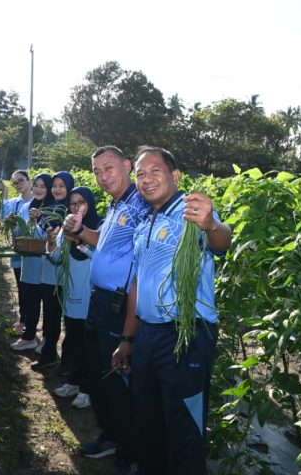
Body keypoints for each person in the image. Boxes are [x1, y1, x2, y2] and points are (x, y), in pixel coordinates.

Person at [112, 146, 231, 475]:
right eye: (140, 174)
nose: (146, 179)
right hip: (148, 335)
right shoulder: (144, 223)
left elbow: (223, 241)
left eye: (155, 171)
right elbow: (138, 285)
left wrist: (210, 225)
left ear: (175, 176)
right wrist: (127, 339)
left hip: (187, 334)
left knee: (185, 433)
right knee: (148, 424)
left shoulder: (191, 213)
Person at [62, 146, 148, 474]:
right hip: (98, 301)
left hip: (119, 305)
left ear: (127, 166)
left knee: (118, 379)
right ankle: (111, 434)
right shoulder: (116, 205)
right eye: (97, 171)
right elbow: (105, 243)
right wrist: (80, 232)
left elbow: (142, 263)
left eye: (108, 168)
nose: (102, 176)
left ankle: (130, 452)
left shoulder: (141, 205)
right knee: (101, 376)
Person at [49, 186, 102, 408]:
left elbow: (103, 260)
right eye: (72, 203)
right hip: (71, 293)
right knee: (71, 339)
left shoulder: (100, 228)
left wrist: (83, 244)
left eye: (81, 202)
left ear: (90, 204)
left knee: (89, 344)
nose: (76, 207)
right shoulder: (67, 227)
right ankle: (71, 381)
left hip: (89, 295)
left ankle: (87, 389)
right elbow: (56, 258)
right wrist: (53, 242)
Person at [32, 170, 73, 370]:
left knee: (64, 320)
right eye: (55, 186)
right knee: (49, 316)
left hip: (63, 274)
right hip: (47, 271)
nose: (57, 190)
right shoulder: (48, 208)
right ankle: (49, 355)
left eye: (61, 186)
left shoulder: (70, 213)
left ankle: (65, 362)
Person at [10, 173, 53, 352]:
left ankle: (47, 341)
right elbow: (20, 233)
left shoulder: (53, 209)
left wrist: (38, 221)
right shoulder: (27, 207)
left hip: (46, 264)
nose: (39, 189)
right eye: (37, 185)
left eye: (43, 186)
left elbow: (47, 238)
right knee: (30, 300)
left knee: (48, 305)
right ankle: (29, 337)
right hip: (28, 262)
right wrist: (15, 223)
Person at [1, 170, 33, 334]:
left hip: (33, 252)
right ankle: (22, 319)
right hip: (18, 250)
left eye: (21, 181)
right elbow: (4, 219)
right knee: (21, 286)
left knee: (31, 289)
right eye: (15, 183)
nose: (18, 184)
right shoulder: (14, 203)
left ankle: (30, 323)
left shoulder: (38, 202)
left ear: (29, 180)